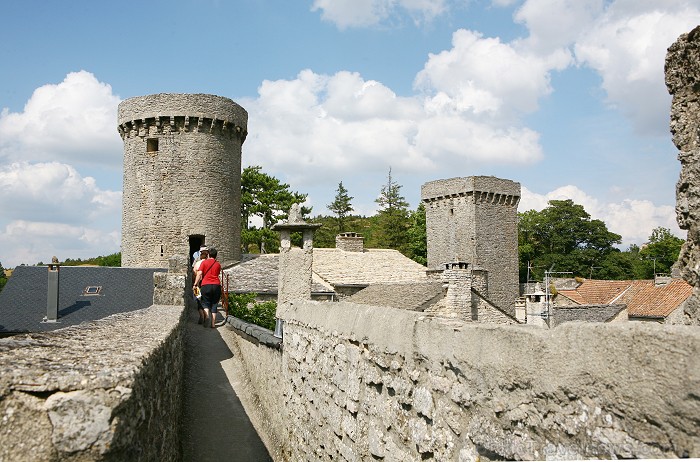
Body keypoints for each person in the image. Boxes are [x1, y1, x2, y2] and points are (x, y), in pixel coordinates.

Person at [193, 247, 222, 328]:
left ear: (208, 254)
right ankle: (213, 324)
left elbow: (199, 274)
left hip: (206, 285)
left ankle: (207, 316)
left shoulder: (204, 263)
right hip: (216, 285)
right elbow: (217, 274)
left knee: (205, 302)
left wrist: (195, 284)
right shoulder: (218, 264)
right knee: (214, 304)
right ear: (216, 255)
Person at [192, 245, 209, 324]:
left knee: (198, 301)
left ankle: (201, 315)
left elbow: (194, 273)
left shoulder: (197, 263)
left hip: (198, 284)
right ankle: (206, 316)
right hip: (207, 284)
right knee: (206, 301)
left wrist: (194, 284)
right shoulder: (210, 262)